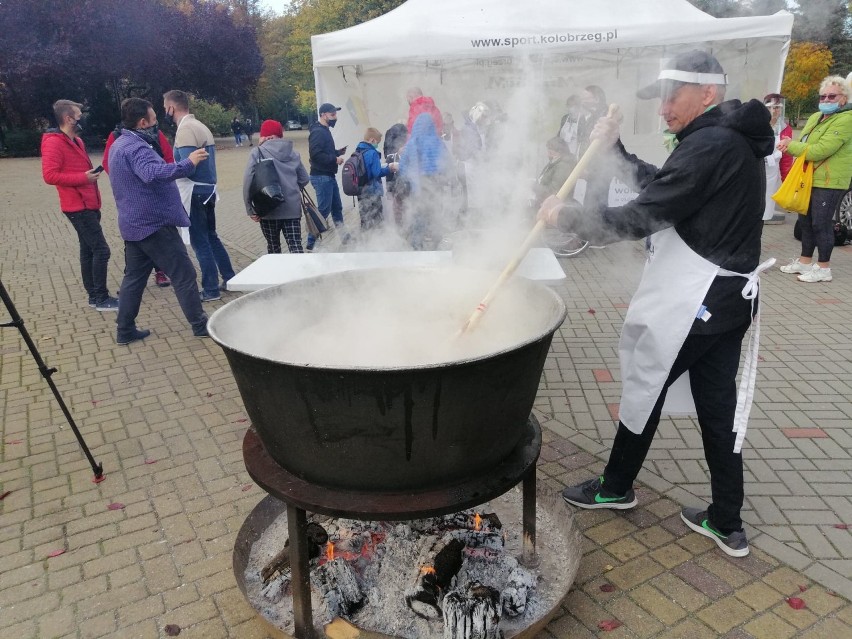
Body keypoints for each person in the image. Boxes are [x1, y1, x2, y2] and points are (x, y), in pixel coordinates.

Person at [540, 50, 775, 558]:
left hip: (696, 300)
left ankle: (615, 487)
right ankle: (726, 520)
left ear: (707, 94)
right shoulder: (723, 140)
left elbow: (638, 217)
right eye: (661, 96)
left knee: (645, 385)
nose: (664, 107)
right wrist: (614, 147)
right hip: (729, 301)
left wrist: (568, 217)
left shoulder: (711, 144)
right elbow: (665, 187)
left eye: (674, 95)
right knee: (717, 407)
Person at [108, 98, 210, 345]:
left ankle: (125, 330)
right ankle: (200, 325)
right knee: (183, 274)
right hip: (154, 226)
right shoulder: (137, 148)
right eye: (154, 120)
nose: (157, 125)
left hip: (134, 225)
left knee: (134, 278)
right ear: (142, 122)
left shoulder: (119, 143)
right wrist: (188, 163)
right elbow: (153, 174)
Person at [41, 99, 119, 311]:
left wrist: (89, 176)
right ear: (68, 118)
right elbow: (49, 175)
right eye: (78, 114)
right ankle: (101, 298)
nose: (81, 117)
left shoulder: (78, 141)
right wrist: (83, 178)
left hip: (90, 203)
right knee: (101, 250)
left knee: (88, 250)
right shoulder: (53, 142)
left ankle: (94, 296)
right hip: (76, 206)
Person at [777, 76, 852, 283]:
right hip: (809, 177)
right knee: (805, 222)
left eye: (832, 96)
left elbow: (821, 150)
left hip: (829, 181)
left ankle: (823, 267)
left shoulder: (847, 119)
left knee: (821, 223)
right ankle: (805, 261)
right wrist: (796, 146)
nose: (826, 99)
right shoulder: (817, 117)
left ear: (843, 98)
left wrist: (790, 145)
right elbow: (806, 143)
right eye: (823, 96)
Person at [163, 90, 236, 301]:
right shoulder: (200, 125)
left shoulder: (185, 130)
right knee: (211, 238)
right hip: (207, 191)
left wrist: (169, 169)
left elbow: (188, 168)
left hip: (195, 192)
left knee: (200, 241)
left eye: (164, 107)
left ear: (171, 108)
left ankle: (211, 289)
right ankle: (229, 278)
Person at [104, 123, 174, 288]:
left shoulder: (157, 134)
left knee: (161, 231)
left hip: (156, 193)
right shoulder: (116, 136)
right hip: (132, 198)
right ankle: (132, 277)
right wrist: (127, 183)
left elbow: (168, 158)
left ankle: (161, 271)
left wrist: (164, 180)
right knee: (134, 238)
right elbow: (109, 163)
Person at [242, 119, 310, 253]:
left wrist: (250, 209)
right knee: (296, 248)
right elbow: (304, 178)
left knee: (273, 249)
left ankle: (278, 274)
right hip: (292, 209)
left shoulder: (257, 152)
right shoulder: (293, 153)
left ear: (266, 136)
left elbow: (248, 181)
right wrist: (291, 188)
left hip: (268, 209)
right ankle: (302, 273)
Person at [399, 113, 454, 250]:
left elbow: (403, 167)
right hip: (435, 185)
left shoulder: (412, 143)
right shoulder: (438, 142)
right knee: (435, 214)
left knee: (418, 215)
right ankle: (436, 244)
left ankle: (417, 246)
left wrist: (409, 178)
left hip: (417, 186)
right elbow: (447, 163)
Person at [307, 102, 349, 250]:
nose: (335, 117)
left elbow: (323, 152)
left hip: (328, 176)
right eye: (332, 115)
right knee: (323, 210)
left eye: (335, 114)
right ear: (323, 115)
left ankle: (345, 238)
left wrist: (337, 152)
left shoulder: (324, 130)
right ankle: (311, 242)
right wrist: (334, 159)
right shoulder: (318, 132)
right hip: (321, 177)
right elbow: (316, 154)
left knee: (337, 208)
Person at [354, 127, 398, 231]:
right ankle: (377, 240)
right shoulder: (372, 153)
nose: (377, 145)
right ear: (372, 140)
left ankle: (365, 242)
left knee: (365, 219)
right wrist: (389, 168)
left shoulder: (358, 150)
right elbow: (377, 172)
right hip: (372, 191)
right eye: (377, 142)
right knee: (376, 219)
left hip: (361, 190)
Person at [761, 93, 793, 222]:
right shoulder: (758, 125)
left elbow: (786, 159)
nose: (776, 110)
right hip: (757, 171)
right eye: (773, 107)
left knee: (766, 209)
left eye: (778, 107)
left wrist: (787, 182)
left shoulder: (785, 129)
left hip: (772, 176)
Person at [383, 122, 409, 227]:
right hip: (397, 188)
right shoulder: (391, 157)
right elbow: (389, 176)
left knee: (406, 208)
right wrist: (389, 191)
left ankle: (405, 227)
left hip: (406, 187)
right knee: (399, 208)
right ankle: (400, 229)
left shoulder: (408, 153)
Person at [557, 95, 583, 159]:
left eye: (571, 106)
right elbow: (559, 134)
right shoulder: (565, 118)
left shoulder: (582, 119)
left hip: (575, 154)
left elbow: (582, 139)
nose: (569, 108)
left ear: (578, 106)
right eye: (568, 105)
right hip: (562, 153)